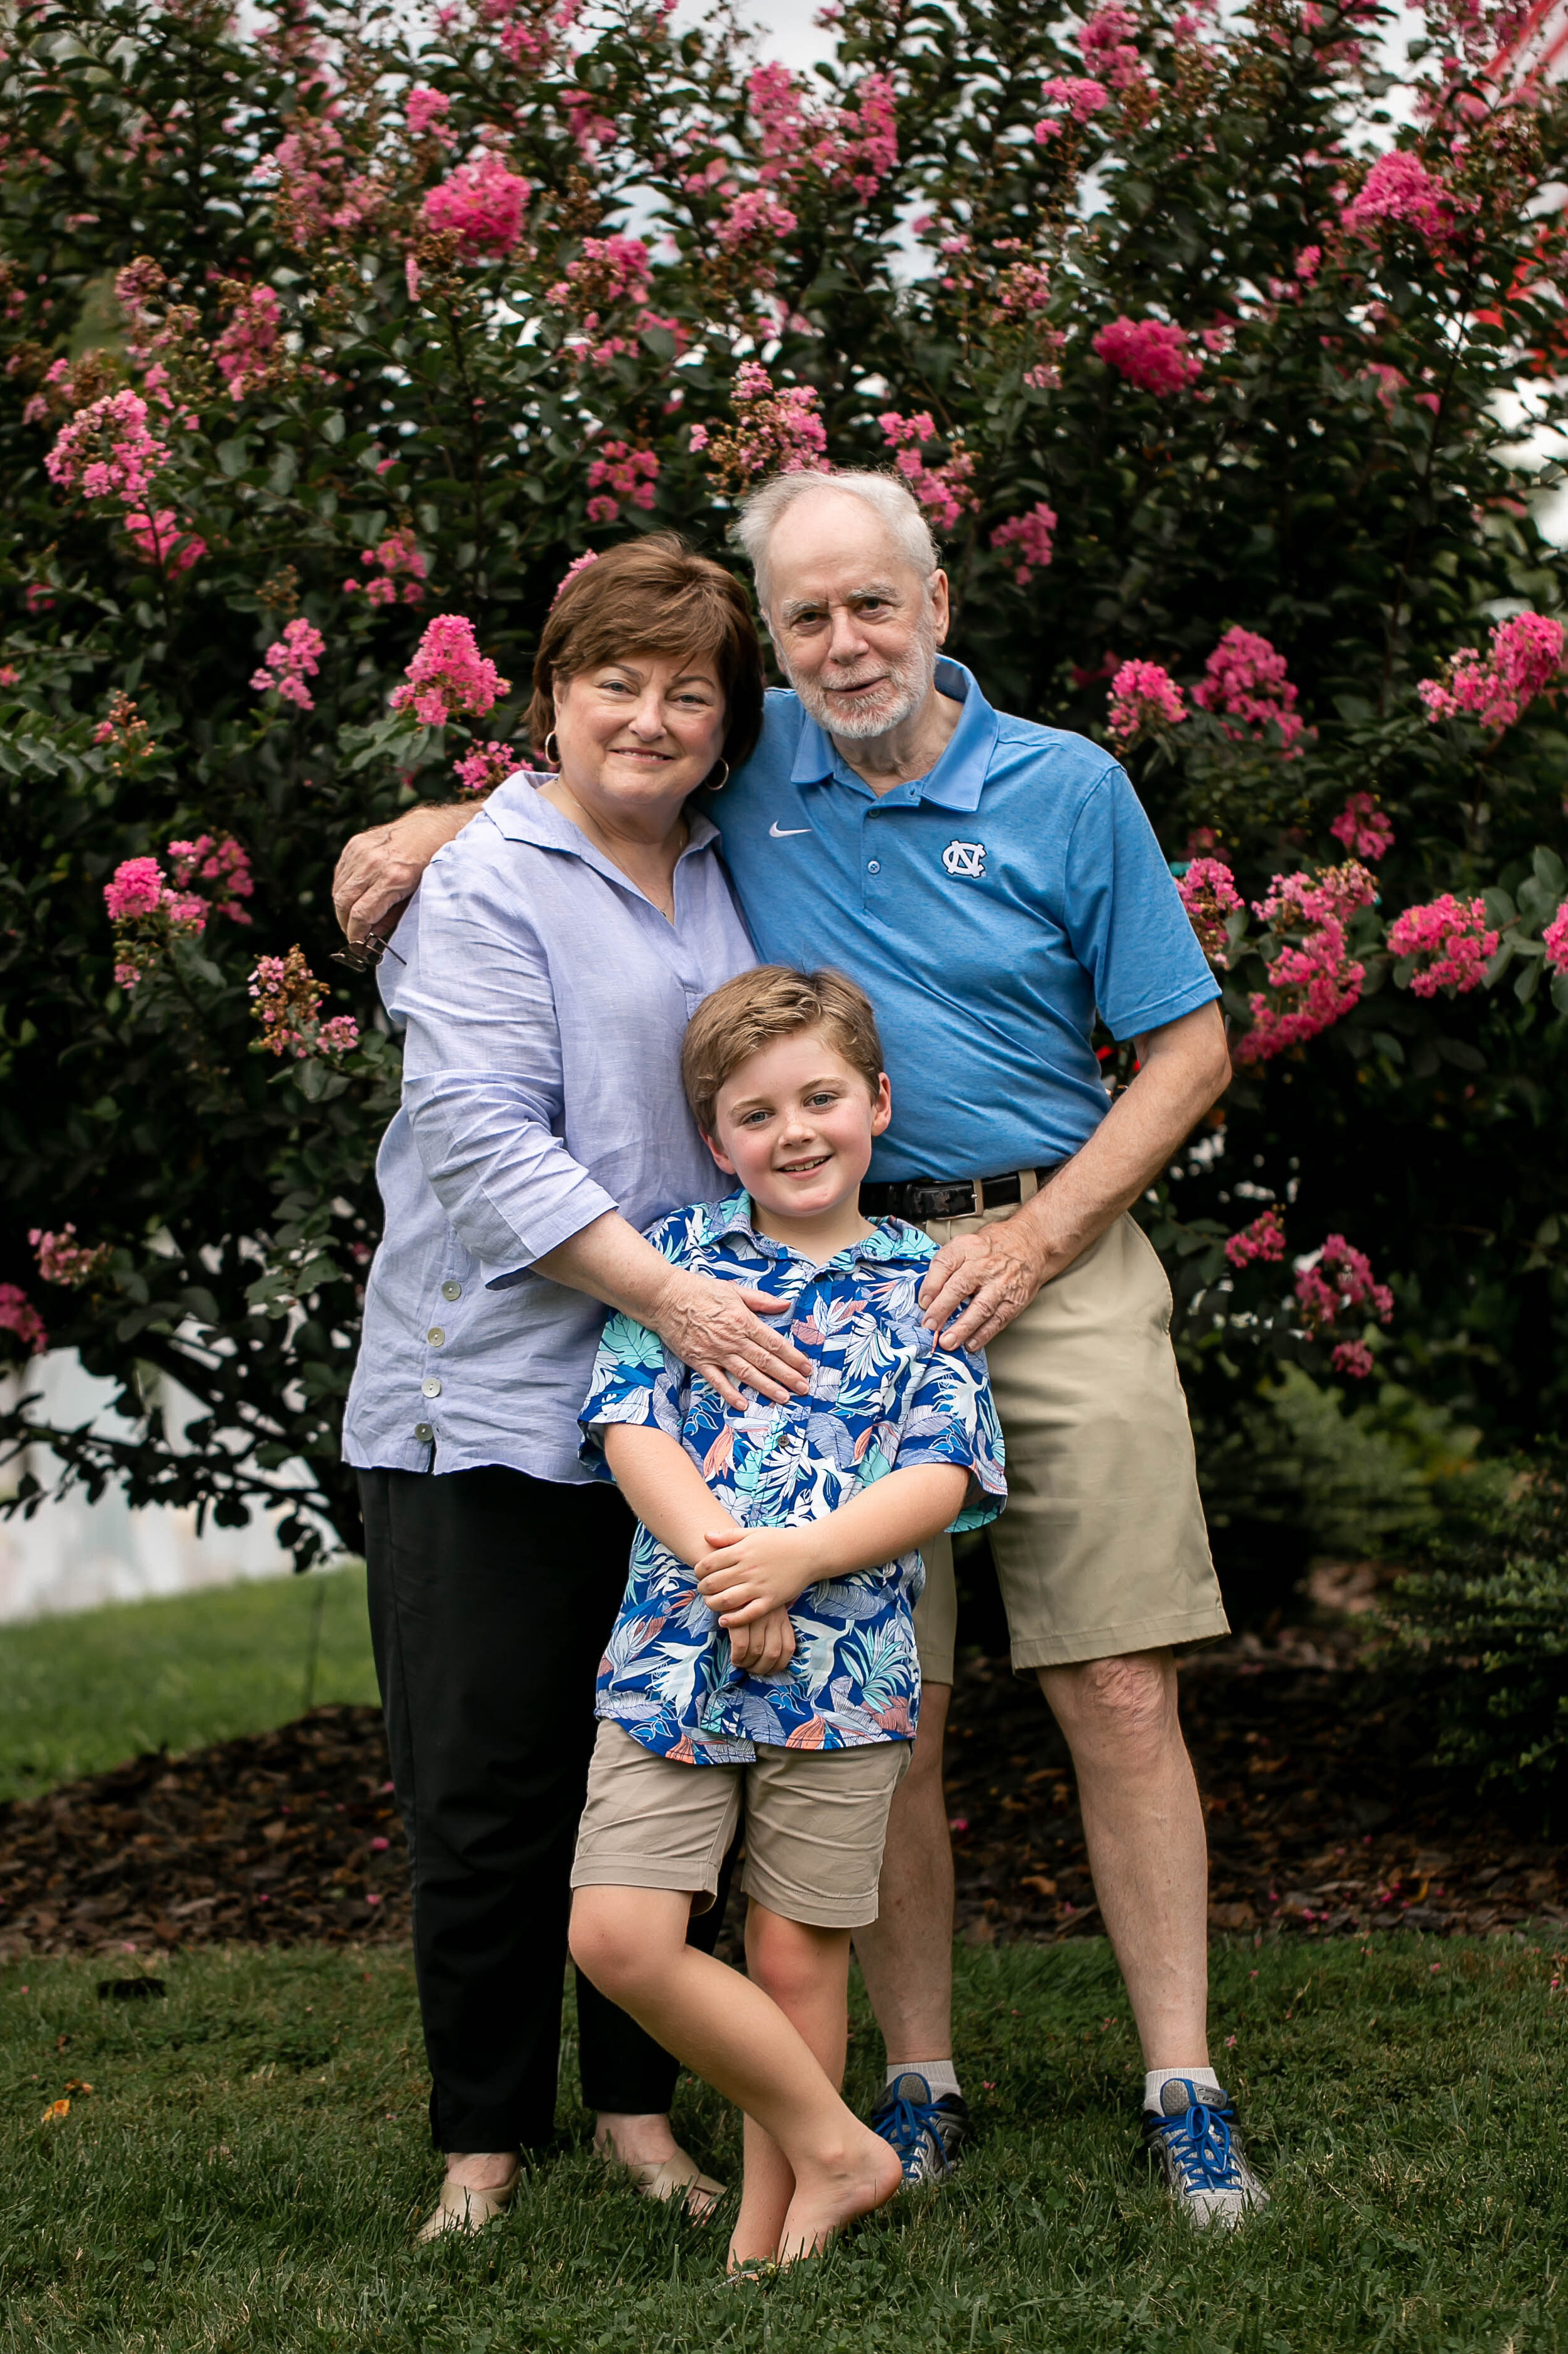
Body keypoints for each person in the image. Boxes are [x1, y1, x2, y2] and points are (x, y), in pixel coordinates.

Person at [334, 469, 1266, 2226]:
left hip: (1042, 1245)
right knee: (864, 1702)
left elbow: (1192, 1051)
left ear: (936, 602)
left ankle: (1182, 2081)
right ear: (779, 641)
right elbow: (599, 766)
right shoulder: (753, 772)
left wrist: (1042, 1228)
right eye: (808, 617)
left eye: (873, 604)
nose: (845, 644)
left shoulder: (1070, 785)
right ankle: (912, 2087)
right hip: (824, 1274)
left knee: (1121, 1682)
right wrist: (433, 829)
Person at [343, 536, 817, 2241]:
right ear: (550, 699)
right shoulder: (485, 882)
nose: (651, 714)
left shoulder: (728, 870)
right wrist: (675, 1295)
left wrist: (700, 1327)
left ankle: (634, 2111)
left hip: (677, 1414)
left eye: (689, 690)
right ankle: (481, 2140)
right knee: (487, 1786)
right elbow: (479, 1146)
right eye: (613, 680)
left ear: (725, 723)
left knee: (656, 1768)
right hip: (485, 1398)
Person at [568, 965, 1006, 2268]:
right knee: (618, 1933)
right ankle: (842, 2145)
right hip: (670, 1655)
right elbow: (628, 1421)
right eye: (755, 1115)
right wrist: (729, 1567)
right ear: (716, 1142)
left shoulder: (929, 1282)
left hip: (846, 1665)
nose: (793, 1131)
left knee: (797, 1953)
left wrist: (796, 1564)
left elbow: (941, 1473)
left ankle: (771, 2235)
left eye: (821, 1097)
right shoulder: (681, 1263)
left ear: (877, 1102)